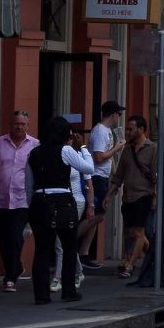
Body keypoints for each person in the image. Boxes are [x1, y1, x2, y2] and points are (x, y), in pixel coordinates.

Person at [26, 116, 89, 304]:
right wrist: (83, 149)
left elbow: (28, 185)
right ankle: (68, 291)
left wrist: (33, 205)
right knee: (69, 247)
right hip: (61, 200)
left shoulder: (33, 153)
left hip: (39, 199)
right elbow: (88, 168)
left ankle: (41, 295)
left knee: (42, 249)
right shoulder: (66, 150)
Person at [0, 110, 38, 293]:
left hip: (23, 199)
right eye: (16, 124)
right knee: (5, 238)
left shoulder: (35, 146)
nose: (19, 127)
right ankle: (16, 266)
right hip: (1, 198)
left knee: (15, 236)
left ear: (28, 126)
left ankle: (10, 277)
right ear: (10, 125)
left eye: (23, 124)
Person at [110, 115, 157, 278]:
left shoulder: (153, 148)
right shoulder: (128, 150)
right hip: (128, 196)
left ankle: (130, 264)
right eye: (127, 129)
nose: (128, 132)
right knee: (132, 233)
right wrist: (109, 193)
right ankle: (155, 257)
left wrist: (155, 197)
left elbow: (156, 175)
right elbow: (119, 174)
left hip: (144, 195)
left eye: (131, 129)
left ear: (141, 129)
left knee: (138, 232)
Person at [84, 100, 125, 268]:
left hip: (103, 176)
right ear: (113, 114)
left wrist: (116, 176)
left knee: (98, 216)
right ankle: (71, 243)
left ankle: (83, 252)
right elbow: (99, 157)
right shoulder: (100, 131)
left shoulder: (107, 131)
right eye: (118, 114)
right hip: (96, 176)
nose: (119, 118)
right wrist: (116, 148)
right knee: (97, 215)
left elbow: (109, 159)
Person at [60, 123, 96, 293]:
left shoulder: (76, 155)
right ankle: (78, 271)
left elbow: (89, 180)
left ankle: (58, 277)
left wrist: (90, 205)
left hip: (77, 201)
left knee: (62, 241)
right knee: (65, 240)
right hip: (61, 201)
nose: (70, 140)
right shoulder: (57, 153)